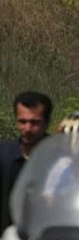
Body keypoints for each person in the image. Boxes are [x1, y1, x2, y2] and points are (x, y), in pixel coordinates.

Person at [0, 91, 53, 232]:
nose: (28, 129)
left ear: (47, 123)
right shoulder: (4, 156)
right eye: (22, 122)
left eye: (35, 123)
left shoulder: (59, 159)